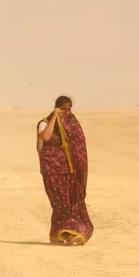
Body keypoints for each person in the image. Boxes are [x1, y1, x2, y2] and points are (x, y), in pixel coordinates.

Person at [36, 95, 94, 246]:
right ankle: (66, 232)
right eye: (63, 109)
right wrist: (55, 117)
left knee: (73, 201)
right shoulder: (45, 122)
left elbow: (78, 144)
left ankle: (66, 233)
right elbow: (46, 137)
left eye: (69, 109)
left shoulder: (71, 123)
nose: (66, 112)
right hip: (51, 169)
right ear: (56, 108)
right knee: (60, 204)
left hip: (69, 169)